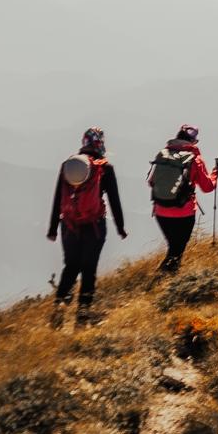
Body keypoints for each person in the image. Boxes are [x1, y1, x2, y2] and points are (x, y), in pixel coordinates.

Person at [47, 127, 127, 327]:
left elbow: (58, 197)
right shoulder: (104, 168)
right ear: (101, 143)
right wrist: (120, 227)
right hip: (94, 226)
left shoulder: (68, 165)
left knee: (71, 267)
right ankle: (82, 317)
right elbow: (114, 201)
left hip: (69, 226)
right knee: (89, 270)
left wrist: (53, 228)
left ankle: (58, 311)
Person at [148, 124, 218, 281]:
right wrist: (215, 175)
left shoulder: (163, 155)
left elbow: (151, 182)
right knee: (177, 250)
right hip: (184, 212)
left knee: (173, 248)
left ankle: (163, 281)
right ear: (193, 142)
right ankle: (162, 281)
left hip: (161, 210)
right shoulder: (195, 159)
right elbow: (207, 187)